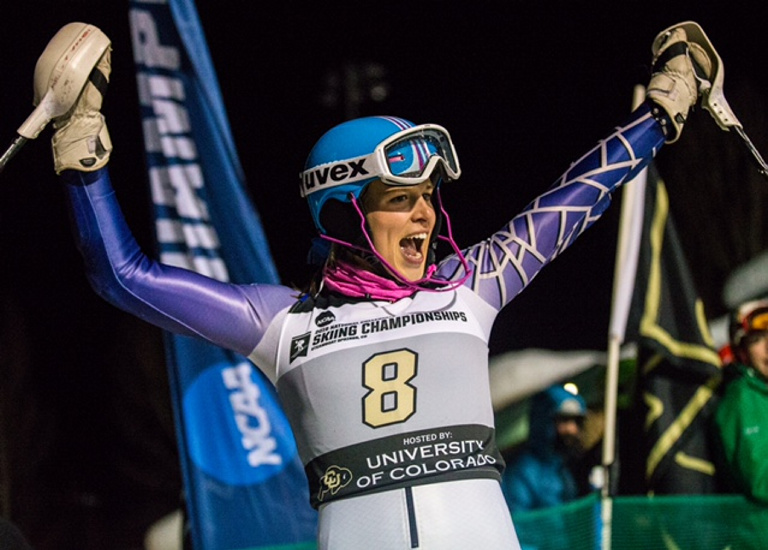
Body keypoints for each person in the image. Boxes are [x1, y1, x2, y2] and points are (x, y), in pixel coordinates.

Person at [35, 19, 717, 550]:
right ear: (344, 212)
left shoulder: (468, 286)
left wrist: (660, 116)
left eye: (429, 196)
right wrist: (81, 151)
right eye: (400, 197)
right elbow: (123, 278)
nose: (426, 213)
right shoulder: (283, 323)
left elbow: (576, 197)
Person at [501, 385, 588, 514]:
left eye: (577, 421)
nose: (572, 429)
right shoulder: (522, 472)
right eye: (564, 420)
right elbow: (518, 523)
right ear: (544, 422)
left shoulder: (566, 468)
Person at [714, 299, 768, 502]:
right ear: (742, 353)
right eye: (757, 340)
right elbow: (761, 482)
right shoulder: (742, 398)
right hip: (759, 531)